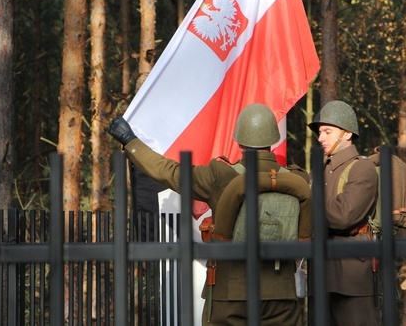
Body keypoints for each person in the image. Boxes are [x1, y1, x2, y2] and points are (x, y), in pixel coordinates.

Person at [108, 103, 310, 326]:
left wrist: (130, 141)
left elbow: (169, 172)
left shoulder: (221, 175)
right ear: (272, 141)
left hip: (230, 294)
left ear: (240, 141)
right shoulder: (298, 180)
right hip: (281, 293)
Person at [308, 100, 380, 326]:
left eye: (327, 132)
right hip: (320, 269)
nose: (321, 138)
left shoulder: (362, 168)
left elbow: (343, 215)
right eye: (320, 132)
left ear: (347, 134)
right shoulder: (319, 168)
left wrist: (305, 204)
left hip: (351, 274)